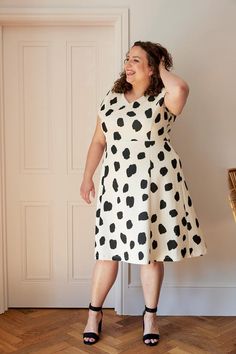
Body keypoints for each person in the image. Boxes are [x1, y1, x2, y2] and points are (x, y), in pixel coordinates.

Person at [80, 40, 207, 346]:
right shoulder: (110, 99)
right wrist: (87, 177)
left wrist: (160, 63)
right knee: (107, 252)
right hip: (115, 184)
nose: (128, 64)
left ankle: (150, 316)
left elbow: (182, 89)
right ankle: (93, 315)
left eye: (137, 60)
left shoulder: (165, 95)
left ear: (152, 67)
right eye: (128, 58)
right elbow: (99, 141)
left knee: (149, 254)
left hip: (154, 183)